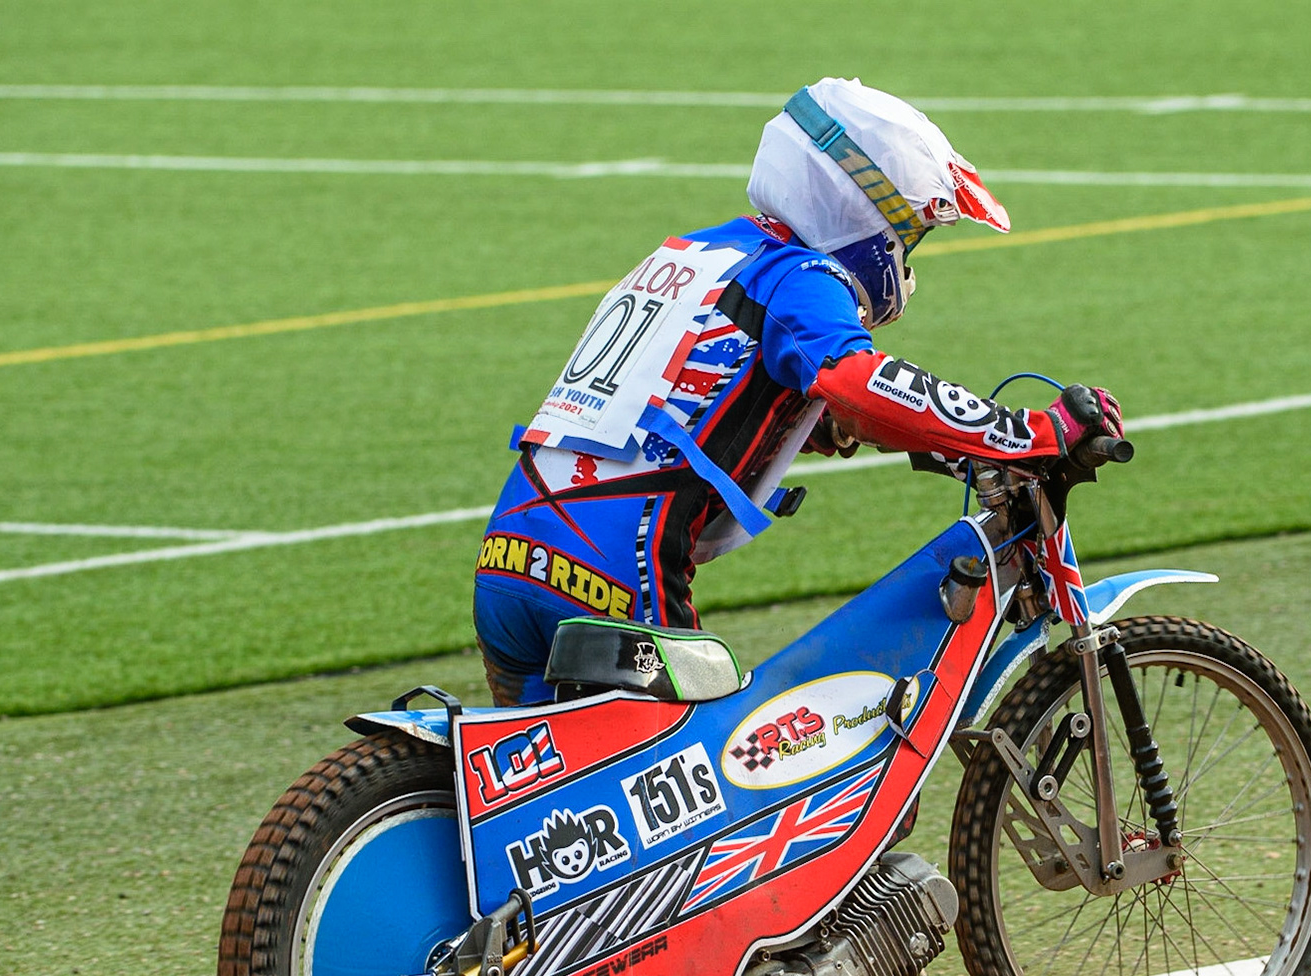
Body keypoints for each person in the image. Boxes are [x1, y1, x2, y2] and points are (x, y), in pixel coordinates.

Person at [473, 77, 1123, 707]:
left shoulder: (700, 251)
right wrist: (1029, 431)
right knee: (723, 777)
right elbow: (860, 382)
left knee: (528, 789)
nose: (907, 256)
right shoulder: (801, 276)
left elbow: (676, 397)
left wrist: (809, 425)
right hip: (612, 585)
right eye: (911, 234)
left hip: (507, 561)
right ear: (864, 210)